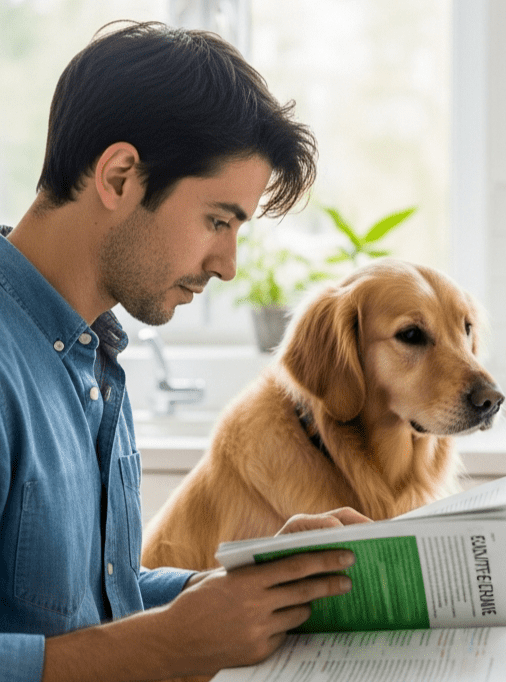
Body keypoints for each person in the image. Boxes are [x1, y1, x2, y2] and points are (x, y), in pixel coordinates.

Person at [0, 20, 371, 681]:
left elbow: (86, 606)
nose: (227, 265)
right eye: (218, 220)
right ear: (119, 176)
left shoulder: (91, 358)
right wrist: (168, 646)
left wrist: (245, 588)